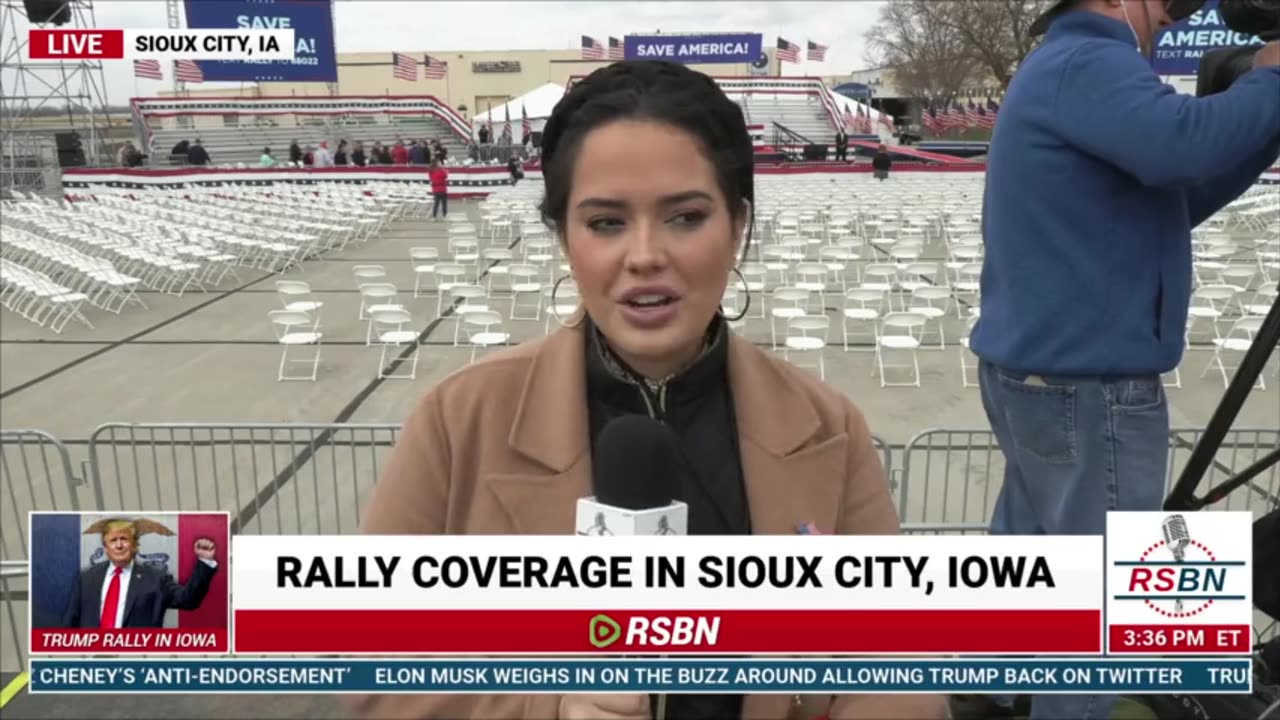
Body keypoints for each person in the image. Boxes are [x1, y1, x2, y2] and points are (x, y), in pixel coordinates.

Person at [347, 59, 947, 720]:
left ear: (738, 224)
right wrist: (546, 705)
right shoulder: (456, 423)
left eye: (685, 217)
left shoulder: (830, 428)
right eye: (605, 223)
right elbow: (369, 675)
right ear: (563, 237)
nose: (644, 256)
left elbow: (896, 680)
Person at [971, 1, 1280, 719]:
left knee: (1034, 560)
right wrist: (1269, 82)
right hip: (1091, 387)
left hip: (1042, 377)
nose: (1171, 19)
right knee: (1104, 613)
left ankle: (994, 695)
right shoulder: (1088, 58)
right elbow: (1182, 147)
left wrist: (1264, 123)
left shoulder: (1058, 65)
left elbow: (1180, 191)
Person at [61, 518, 218, 628]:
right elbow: (71, 621)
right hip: (92, 660)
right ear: (105, 548)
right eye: (113, 541)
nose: (119, 545)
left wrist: (204, 562)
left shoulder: (156, 579)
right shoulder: (87, 578)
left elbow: (188, 600)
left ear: (135, 545)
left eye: (124, 539)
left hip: (137, 659)